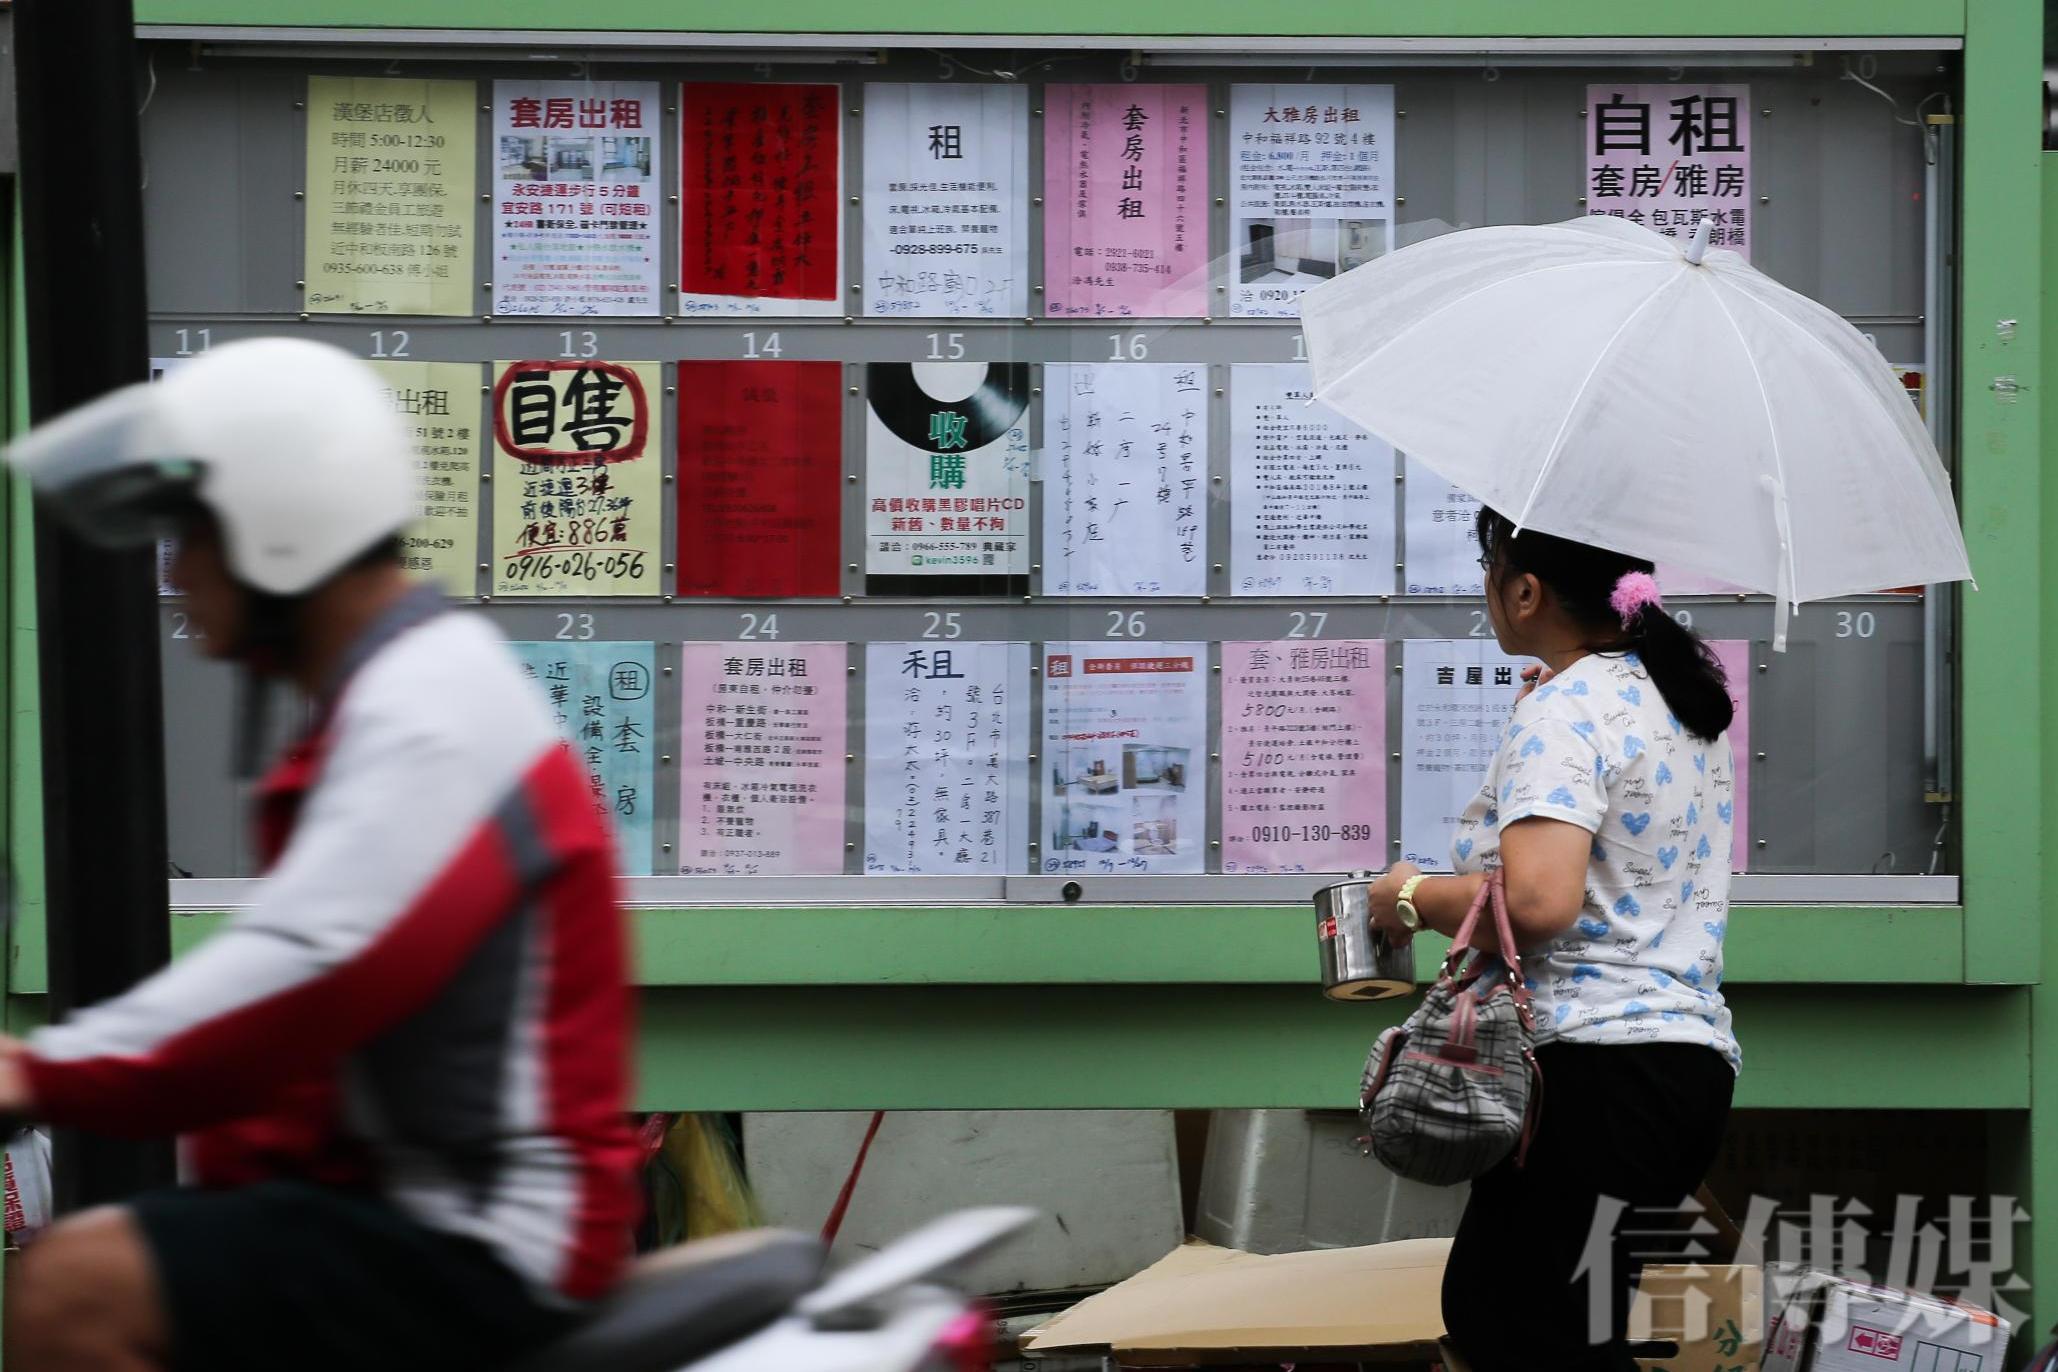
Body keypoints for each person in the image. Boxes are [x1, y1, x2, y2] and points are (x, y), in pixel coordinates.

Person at [0, 339, 639, 1372]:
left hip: (483, 1236)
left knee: (81, 1283)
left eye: (193, 533)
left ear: (279, 531)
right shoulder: (399, 692)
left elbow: (312, 966)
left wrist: (38, 1070)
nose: (177, 569)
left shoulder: (429, 711)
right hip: (407, 1203)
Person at [1365, 508, 1740, 1372]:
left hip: (1589, 1074)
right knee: (1561, 1329)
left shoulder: (1568, 709)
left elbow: (1537, 901)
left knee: (1512, 1325)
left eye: (1490, 567)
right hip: (1680, 1073)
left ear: (1526, 591)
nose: (1486, 587)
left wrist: (1408, 897)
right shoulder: (1672, 698)